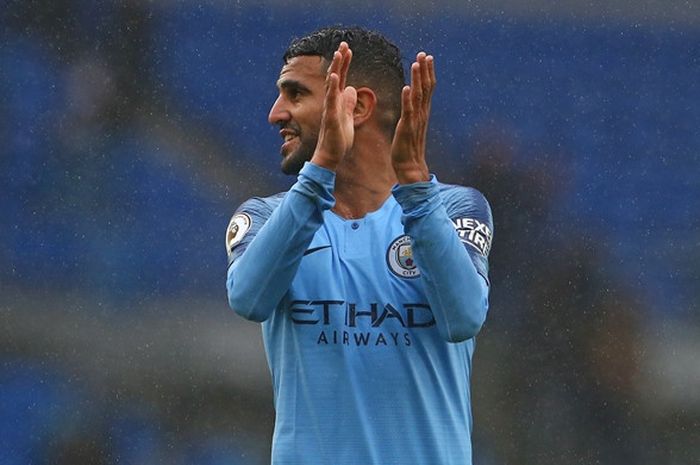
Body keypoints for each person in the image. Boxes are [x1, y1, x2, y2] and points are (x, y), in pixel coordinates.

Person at [225, 26, 494, 465]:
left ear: (359, 106)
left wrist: (416, 188)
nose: (276, 114)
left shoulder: (452, 207)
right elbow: (248, 298)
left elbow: (462, 316)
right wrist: (321, 169)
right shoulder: (266, 216)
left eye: (295, 94)